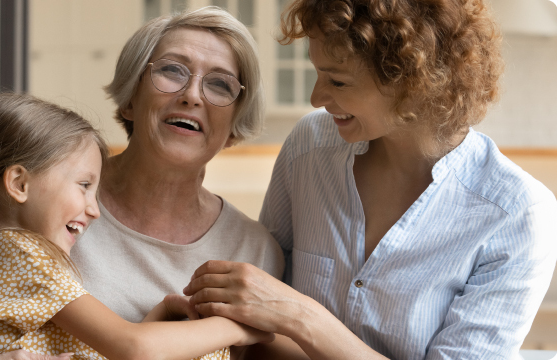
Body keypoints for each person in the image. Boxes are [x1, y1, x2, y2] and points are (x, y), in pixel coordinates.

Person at [0, 7, 284, 360]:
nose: (192, 95)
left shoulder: (253, 250)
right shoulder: (48, 206)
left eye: (219, 84)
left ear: (235, 126)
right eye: (172, 71)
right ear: (129, 98)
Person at [183, 0, 557, 359]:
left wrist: (302, 316)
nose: (316, 98)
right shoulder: (309, 148)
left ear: (412, 83)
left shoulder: (517, 215)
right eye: (317, 73)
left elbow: (280, 307)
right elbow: (259, 310)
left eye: (338, 82)